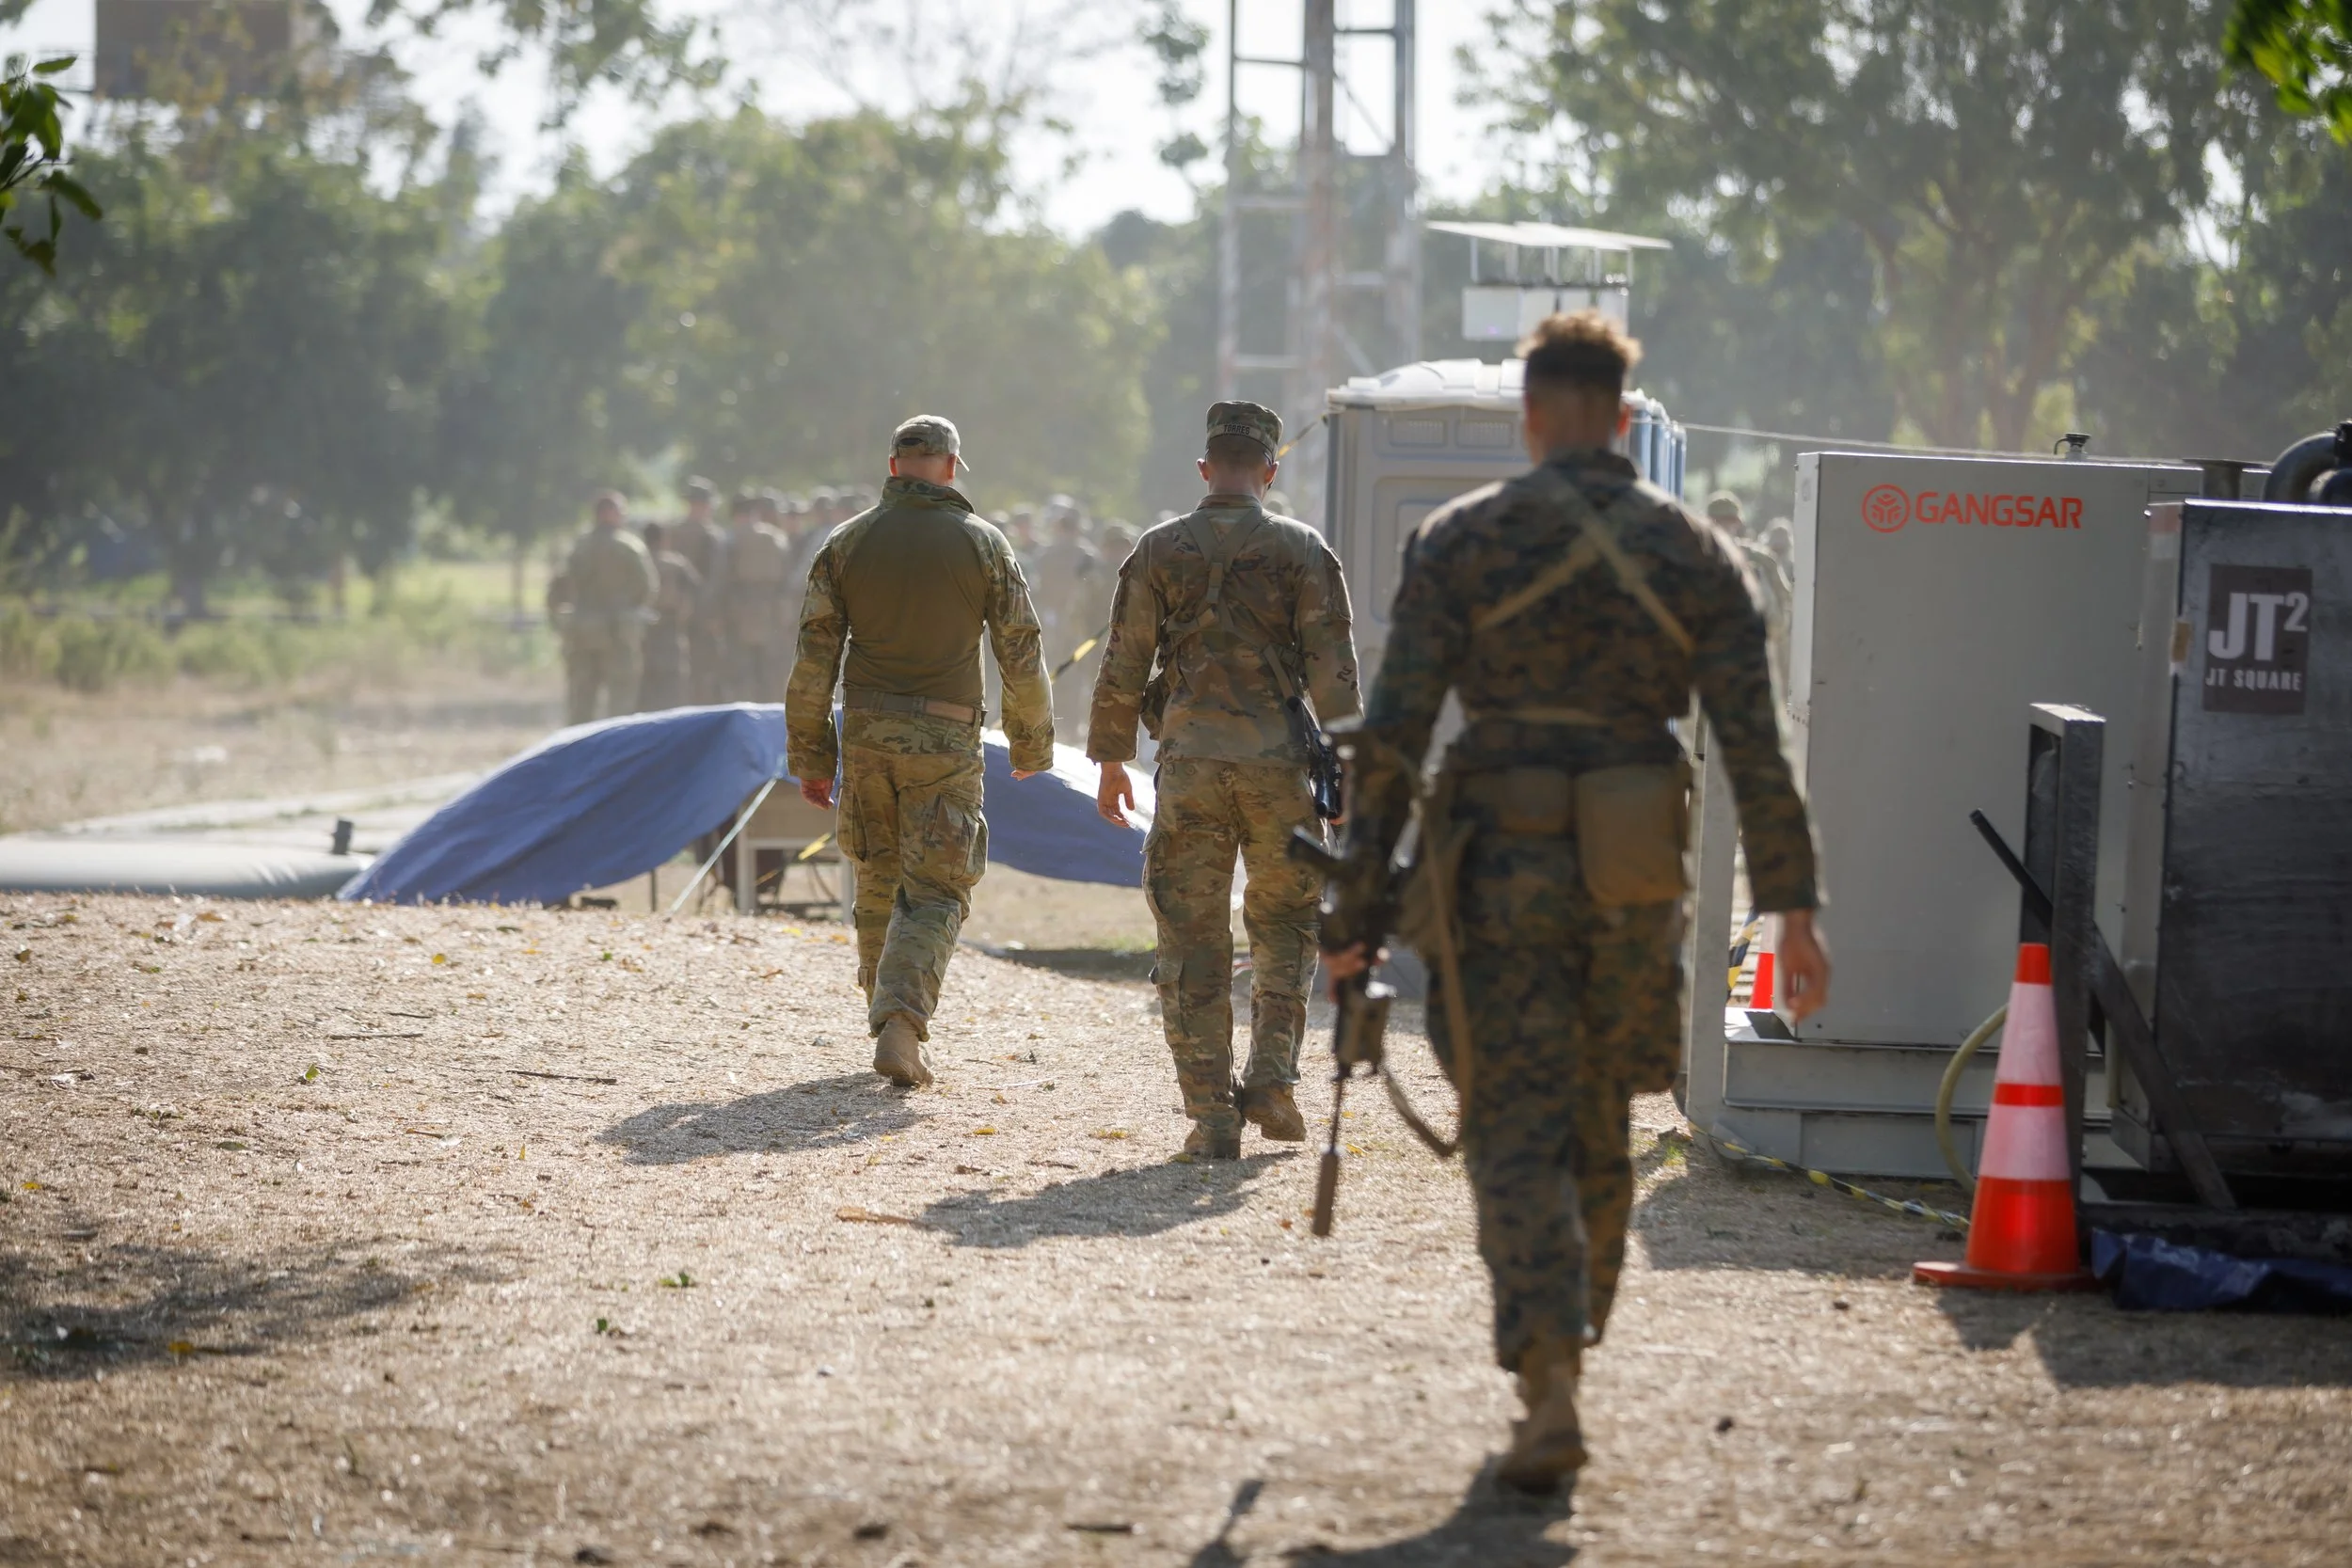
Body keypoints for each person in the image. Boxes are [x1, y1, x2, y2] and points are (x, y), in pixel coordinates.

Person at [1319, 310, 1830, 1494]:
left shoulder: (1463, 539)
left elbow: (1391, 739)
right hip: (1634, 868)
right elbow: (1755, 749)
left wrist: (1351, 916)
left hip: (1495, 868)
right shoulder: (1698, 555)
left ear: (1534, 416)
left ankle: (1547, 1373)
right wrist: (1794, 909)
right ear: (1623, 415)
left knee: (1508, 1118)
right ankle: (1574, 1332)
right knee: (1602, 1109)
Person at [1089, 401, 1360, 1162]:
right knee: (1287, 926)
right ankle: (1272, 1077)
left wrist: (1111, 762)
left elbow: (1123, 664)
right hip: (1282, 772)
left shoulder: (1158, 549)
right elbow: (1335, 676)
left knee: (1191, 938)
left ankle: (1212, 1118)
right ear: (1269, 470)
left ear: (1206, 468)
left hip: (1190, 771)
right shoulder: (1304, 550)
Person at [787, 416, 1055, 1088]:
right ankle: (902, 1022)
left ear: (894, 465)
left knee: (877, 875)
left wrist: (813, 757)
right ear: (953, 466)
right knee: (935, 889)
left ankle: (885, 1021)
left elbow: (813, 660)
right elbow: (1021, 649)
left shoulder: (845, 543)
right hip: (946, 741)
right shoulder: (984, 544)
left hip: (869, 735)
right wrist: (1032, 742)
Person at [551, 491, 659, 725]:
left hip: (583, 633)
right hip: (619, 634)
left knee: (582, 698)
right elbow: (648, 587)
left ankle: (577, 748)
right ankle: (616, 749)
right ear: (612, 513)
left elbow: (559, 587)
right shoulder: (630, 546)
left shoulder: (578, 546)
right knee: (621, 699)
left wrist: (560, 622)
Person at [710, 492, 798, 702]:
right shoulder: (777, 537)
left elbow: (719, 580)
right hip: (771, 611)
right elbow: (788, 578)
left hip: (739, 611)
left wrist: (714, 614)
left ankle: (744, 711)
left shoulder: (729, 539)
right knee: (769, 670)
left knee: (740, 670)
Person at [672, 477, 729, 705]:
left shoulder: (674, 532)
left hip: (675, 611)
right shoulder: (712, 535)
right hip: (704, 613)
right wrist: (714, 614)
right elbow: (717, 580)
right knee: (705, 669)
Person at [637, 520, 703, 711]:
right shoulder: (676, 562)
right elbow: (697, 587)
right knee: (674, 672)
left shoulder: (639, 560)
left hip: (642, 624)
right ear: (664, 539)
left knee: (645, 672)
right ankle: (673, 711)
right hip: (671, 622)